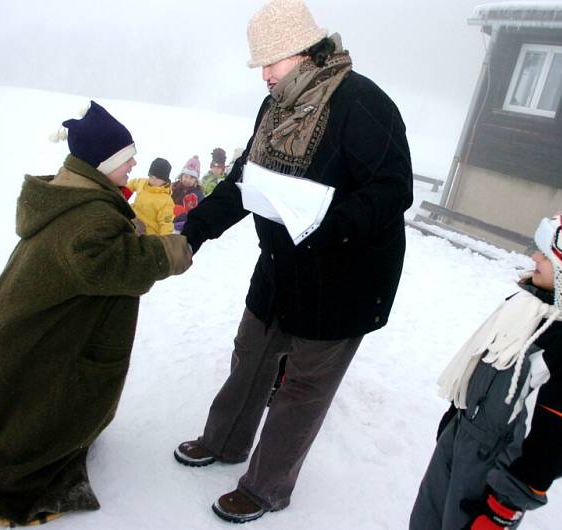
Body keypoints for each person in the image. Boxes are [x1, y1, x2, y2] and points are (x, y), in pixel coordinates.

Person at [172, 0, 413, 523]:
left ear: (304, 53)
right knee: (251, 351)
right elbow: (245, 179)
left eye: (272, 61)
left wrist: (327, 228)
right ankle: (225, 441)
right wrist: (196, 231)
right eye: (260, 63)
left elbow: (393, 191)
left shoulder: (362, 104)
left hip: (345, 277)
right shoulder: (276, 105)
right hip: (282, 264)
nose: (264, 73)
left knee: (303, 385)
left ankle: (265, 487)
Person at [0, 101, 193, 526]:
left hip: (14, 335)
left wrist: (131, 231)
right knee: (38, 414)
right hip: (34, 345)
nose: (135, 162)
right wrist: (171, 250)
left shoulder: (72, 194)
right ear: (102, 162)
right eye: (126, 157)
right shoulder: (91, 216)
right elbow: (113, 264)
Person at [409, 194, 562, 530]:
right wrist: (453, 424)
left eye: (546, 255)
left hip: (495, 476)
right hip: (460, 442)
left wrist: (499, 511)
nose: (534, 256)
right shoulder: (525, 310)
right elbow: (480, 371)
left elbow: (550, 446)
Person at [127, 157, 176, 235]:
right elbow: (130, 185)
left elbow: (166, 224)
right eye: (151, 177)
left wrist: (162, 241)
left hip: (147, 231)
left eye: (157, 179)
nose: (153, 180)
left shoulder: (166, 201)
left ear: (164, 180)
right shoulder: (142, 183)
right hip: (132, 218)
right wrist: (121, 194)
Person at [171, 155, 205, 232]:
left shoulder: (198, 194)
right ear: (181, 176)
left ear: (196, 180)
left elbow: (199, 213)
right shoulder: (174, 187)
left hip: (184, 225)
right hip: (167, 219)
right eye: (186, 176)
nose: (188, 180)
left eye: (192, 178)